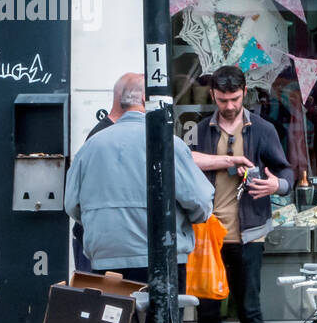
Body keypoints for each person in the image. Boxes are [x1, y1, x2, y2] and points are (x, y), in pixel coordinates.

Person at [190, 65, 294, 323]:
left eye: (234, 98)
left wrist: (278, 185)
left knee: (250, 307)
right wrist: (226, 161)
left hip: (250, 233)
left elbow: (286, 170)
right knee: (207, 306)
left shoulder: (262, 129)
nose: (229, 105)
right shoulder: (201, 129)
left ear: (245, 92)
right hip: (208, 233)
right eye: (223, 99)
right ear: (213, 96)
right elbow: (185, 160)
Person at [64, 73, 214, 287]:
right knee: (162, 319)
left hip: (106, 259)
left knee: (115, 318)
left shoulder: (90, 146)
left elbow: (71, 205)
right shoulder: (168, 143)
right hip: (161, 257)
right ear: (146, 99)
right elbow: (200, 201)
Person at [72, 73, 138, 272]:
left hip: (102, 242)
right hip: (101, 245)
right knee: (103, 301)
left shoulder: (103, 135)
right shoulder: (103, 137)